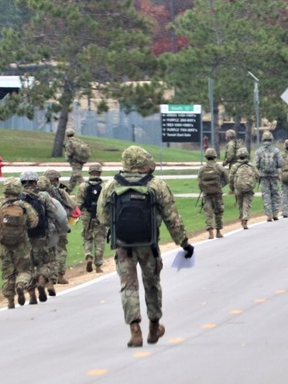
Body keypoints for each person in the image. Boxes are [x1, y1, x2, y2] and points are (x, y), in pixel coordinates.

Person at [97, 145, 193, 347]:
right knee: (152, 284)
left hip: (123, 245)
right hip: (148, 244)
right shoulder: (156, 185)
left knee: (128, 287)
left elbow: (103, 217)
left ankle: (135, 331)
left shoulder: (111, 185)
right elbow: (172, 217)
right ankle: (154, 327)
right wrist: (183, 243)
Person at [0, 178, 39, 309]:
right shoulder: (24, 206)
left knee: (7, 273)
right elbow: (34, 222)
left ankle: (10, 300)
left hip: (3, 245)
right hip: (22, 243)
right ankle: (22, 285)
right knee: (25, 269)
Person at [19, 171, 62, 304]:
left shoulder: (18, 198)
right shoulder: (43, 196)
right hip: (41, 236)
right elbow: (54, 213)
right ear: (34, 182)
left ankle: (32, 295)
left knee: (27, 267)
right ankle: (42, 281)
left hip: (23, 239)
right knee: (44, 263)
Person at [43, 169, 77, 288]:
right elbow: (73, 204)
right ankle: (60, 275)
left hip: (44, 227)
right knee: (61, 249)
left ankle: (46, 277)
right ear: (56, 180)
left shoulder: (38, 194)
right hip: (59, 224)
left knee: (45, 251)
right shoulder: (60, 192)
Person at [76, 162, 107, 273]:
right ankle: (98, 265)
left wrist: (74, 217)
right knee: (100, 239)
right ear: (99, 172)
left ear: (90, 172)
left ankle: (88, 255)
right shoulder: (105, 186)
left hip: (86, 215)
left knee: (87, 237)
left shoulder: (83, 186)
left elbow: (78, 203)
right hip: (100, 215)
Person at [197, 148, 229, 239]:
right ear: (215, 156)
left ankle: (210, 232)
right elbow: (227, 179)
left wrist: (203, 189)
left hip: (206, 194)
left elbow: (199, 181)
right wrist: (220, 185)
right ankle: (218, 231)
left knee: (208, 212)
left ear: (206, 157)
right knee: (218, 212)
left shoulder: (202, 168)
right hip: (217, 193)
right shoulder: (219, 167)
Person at [254, 131, 284, 222]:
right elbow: (281, 163)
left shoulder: (259, 151)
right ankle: (275, 213)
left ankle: (269, 215)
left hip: (263, 176)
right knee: (275, 194)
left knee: (266, 194)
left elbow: (255, 164)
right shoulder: (276, 150)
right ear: (271, 139)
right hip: (274, 175)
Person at [229, 147, 259, 229]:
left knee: (240, 204)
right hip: (249, 187)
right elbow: (257, 175)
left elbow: (230, 178)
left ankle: (242, 217)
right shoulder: (251, 165)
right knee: (247, 203)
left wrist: (232, 188)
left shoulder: (235, 166)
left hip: (238, 188)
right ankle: (245, 218)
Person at [62, 128, 90, 192]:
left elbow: (69, 153)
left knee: (77, 175)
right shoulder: (78, 141)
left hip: (75, 162)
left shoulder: (69, 143)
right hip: (80, 160)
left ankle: (86, 189)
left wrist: (65, 150)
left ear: (67, 135)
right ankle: (68, 191)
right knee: (73, 178)